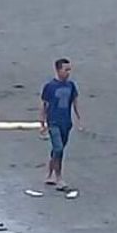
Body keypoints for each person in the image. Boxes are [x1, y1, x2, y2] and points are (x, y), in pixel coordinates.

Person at [41, 58, 82, 188]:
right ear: (58, 70)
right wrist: (42, 122)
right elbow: (44, 105)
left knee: (58, 150)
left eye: (69, 70)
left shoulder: (71, 86)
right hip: (53, 122)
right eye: (66, 70)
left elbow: (75, 102)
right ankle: (59, 178)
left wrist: (78, 118)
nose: (68, 72)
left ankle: (49, 174)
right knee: (58, 148)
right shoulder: (50, 87)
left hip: (66, 122)